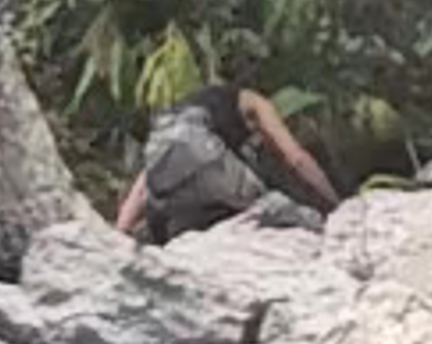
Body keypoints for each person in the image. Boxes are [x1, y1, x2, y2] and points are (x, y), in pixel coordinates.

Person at [114, 75, 335, 245]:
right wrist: (334, 203)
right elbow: (296, 158)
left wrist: (118, 235)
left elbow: (144, 187)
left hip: (158, 140)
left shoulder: (193, 107)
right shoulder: (255, 102)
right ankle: (321, 230)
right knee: (269, 205)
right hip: (199, 145)